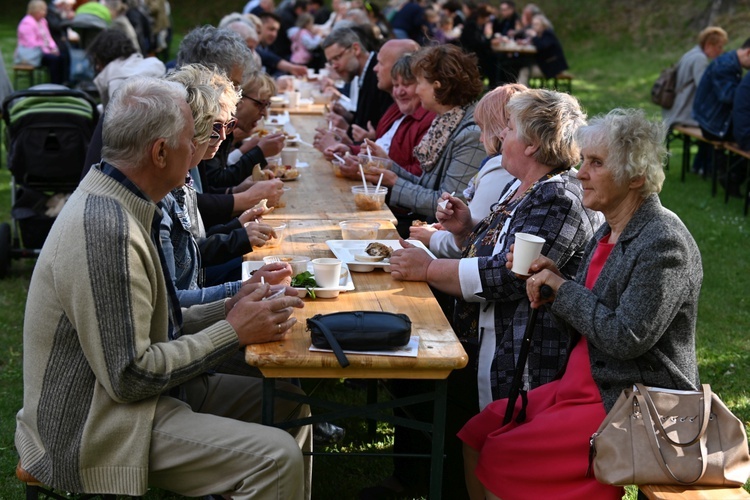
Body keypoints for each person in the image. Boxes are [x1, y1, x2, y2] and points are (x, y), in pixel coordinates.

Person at [15, 76, 312, 499]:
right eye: (193, 138)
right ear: (159, 152)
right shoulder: (108, 229)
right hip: (93, 423)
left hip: (127, 403)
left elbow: (152, 323)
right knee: (275, 457)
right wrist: (233, 330)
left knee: (287, 401)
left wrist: (231, 305)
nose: (200, 149)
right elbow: (131, 375)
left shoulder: (124, 201)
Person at [460, 108, 702, 500]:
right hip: (582, 381)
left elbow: (627, 337)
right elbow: (591, 305)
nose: (579, 172)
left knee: (501, 454)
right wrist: (551, 282)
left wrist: (562, 289)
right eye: (583, 160)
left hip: (629, 398)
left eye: (596, 163)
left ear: (636, 177)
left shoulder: (663, 242)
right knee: (477, 430)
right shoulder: (609, 227)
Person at [355, 44, 486, 235]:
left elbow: (448, 206)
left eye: (419, 82)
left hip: (443, 238)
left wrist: (395, 182)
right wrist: (389, 167)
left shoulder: (470, 134)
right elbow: (428, 185)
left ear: (437, 85)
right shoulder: (445, 121)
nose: (416, 90)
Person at [409, 83, 526, 258]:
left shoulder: (500, 168)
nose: (480, 139)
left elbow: (476, 241)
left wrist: (432, 238)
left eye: (483, 129)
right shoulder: (499, 165)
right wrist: (453, 230)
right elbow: (474, 230)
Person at [320, 50, 436, 177]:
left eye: (407, 85)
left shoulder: (429, 121)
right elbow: (381, 150)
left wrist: (365, 170)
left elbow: (419, 176)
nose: (399, 92)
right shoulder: (396, 110)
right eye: (396, 85)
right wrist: (349, 150)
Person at [662, 26, 727, 174]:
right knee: (713, 128)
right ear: (709, 45)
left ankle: (699, 166)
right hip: (683, 113)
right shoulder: (700, 59)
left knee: (710, 126)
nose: (721, 51)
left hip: (675, 109)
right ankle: (706, 167)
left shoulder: (692, 53)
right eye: (719, 47)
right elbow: (704, 88)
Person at [322, 27, 394, 141]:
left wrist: (347, 128)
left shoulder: (380, 75)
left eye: (337, 58)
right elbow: (370, 119)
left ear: (355, 49)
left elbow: (387, 131)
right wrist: (348, 116)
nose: (334, 66)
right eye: (331, 62)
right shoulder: (363, 72)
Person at [87, 29, 166, 108]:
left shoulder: (116, 80)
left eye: (97, 61)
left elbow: (115, 116)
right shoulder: (154, 65)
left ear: (102, 56)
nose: (97, 67)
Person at [16, 0, 64, 84]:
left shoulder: (43, 21)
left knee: (62, 55)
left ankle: (62, 83)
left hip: (43, 51)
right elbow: (31, 44)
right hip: (31, 54)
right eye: (43, 10)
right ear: (35, 10)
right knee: (54, 59)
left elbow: (48, 38)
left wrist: (54, 48)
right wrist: (48, 51)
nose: (45, 13)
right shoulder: (26, 23)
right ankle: (54, 84)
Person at [518, 13, 569, 85]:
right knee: (523, 67)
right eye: (533, 24)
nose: (534, 27)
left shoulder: (548, 33)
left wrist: (534, 36)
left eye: (537, 24)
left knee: (524, 71)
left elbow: (541, 46)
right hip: (546, 65)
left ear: (543, 25)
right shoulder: (541, 34)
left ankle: (522, 93)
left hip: (553, 67)